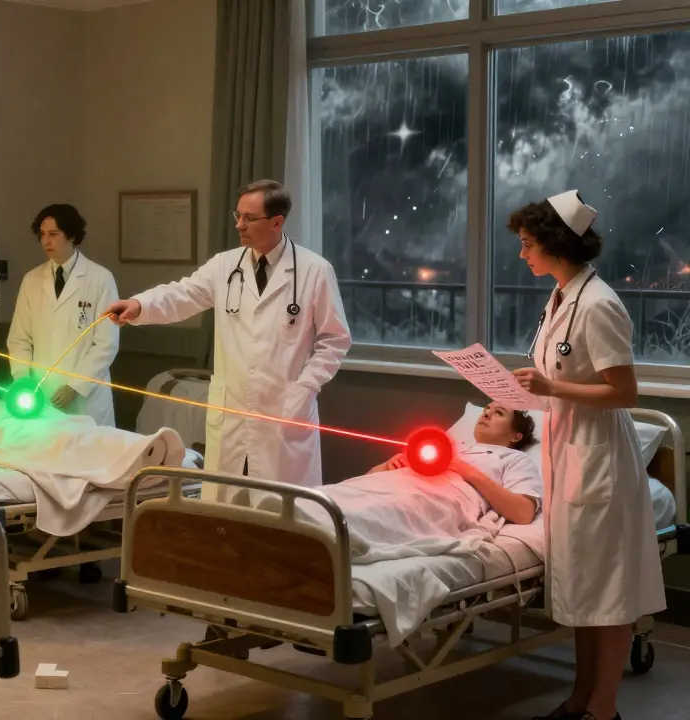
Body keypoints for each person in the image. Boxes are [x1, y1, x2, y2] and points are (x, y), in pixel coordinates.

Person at [508, 190, 662, 720]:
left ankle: (604, 708)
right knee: (581, 585)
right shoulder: (560, 297)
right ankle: (578, 698)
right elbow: (559, 380)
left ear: (554, 244)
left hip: (600, 461)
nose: (522, 254)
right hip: (570, 453)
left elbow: (625, 393)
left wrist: (551, 389)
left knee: (608, 591)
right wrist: (530, 389)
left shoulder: (599, 304)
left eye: (527, 245)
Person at [105, 180, 351, 498]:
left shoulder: (314, 271)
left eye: (250, 218)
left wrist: (305, 387)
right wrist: (140, 305)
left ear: (277, 222)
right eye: (238, 215)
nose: (239, 224)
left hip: (284, 411)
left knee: (284, 514)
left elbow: (336, 339)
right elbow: (182, 294)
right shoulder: (225, 266)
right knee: (226, 509)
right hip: (232, 409)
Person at [7, 203, 120, 426]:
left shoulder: (100, 279)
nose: (46, 241)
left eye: (53, 234)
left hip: (86, 402)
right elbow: (19, 338)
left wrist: (75, 387)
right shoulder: (32, 280)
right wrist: (23, 379)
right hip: (43, 396)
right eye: (42, 235)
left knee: (89, 456)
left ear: (72, 236)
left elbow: (106, 344)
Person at [368, 401, 541, 526]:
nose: (486, 413)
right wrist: (389, 465)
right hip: (389, 489)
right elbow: (368, 477)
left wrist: (464, 470)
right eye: (487, 408)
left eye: (499, 413)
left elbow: (524, 513)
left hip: (430, 501)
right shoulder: (448, 446)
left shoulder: (515, 459)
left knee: (364, 517)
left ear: (515, 436)